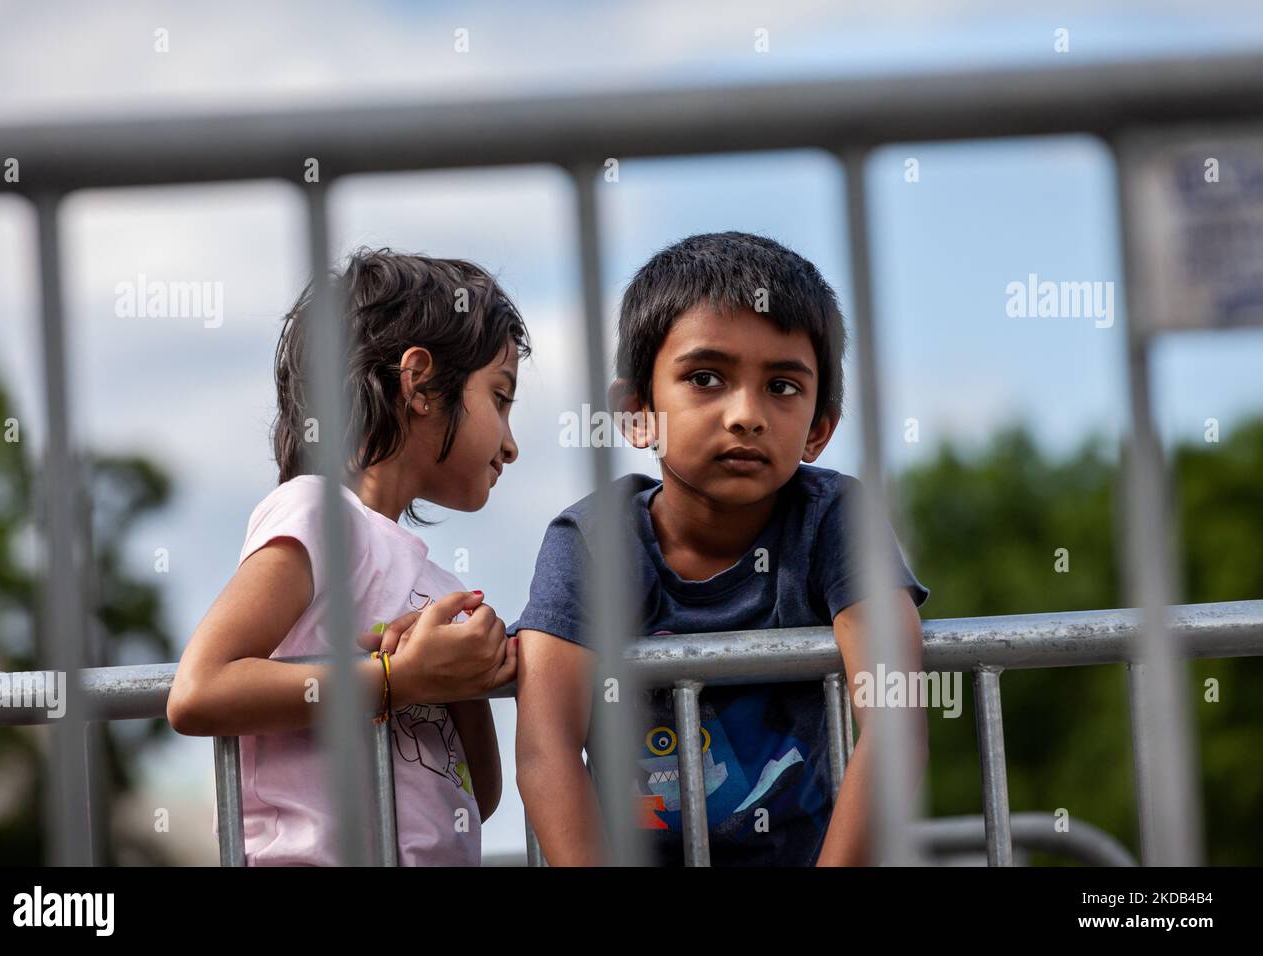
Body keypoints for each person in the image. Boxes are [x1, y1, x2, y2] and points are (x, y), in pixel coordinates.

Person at [512, 231, 929, 866]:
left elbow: (894, 720)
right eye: (705, 378)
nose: (746, 414)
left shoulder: (836, 520)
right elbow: (547, 747)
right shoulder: (590, 543)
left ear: (819, 429)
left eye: (783, 386)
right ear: (637, 412)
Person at [169, 248, 526, 866]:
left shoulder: (439, 586)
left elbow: (479, 797)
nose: (511, 444)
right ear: (419, 383)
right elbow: (199, 690)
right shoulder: (314, 513)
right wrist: (398, 680)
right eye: (500, 397)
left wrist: (461, 675)